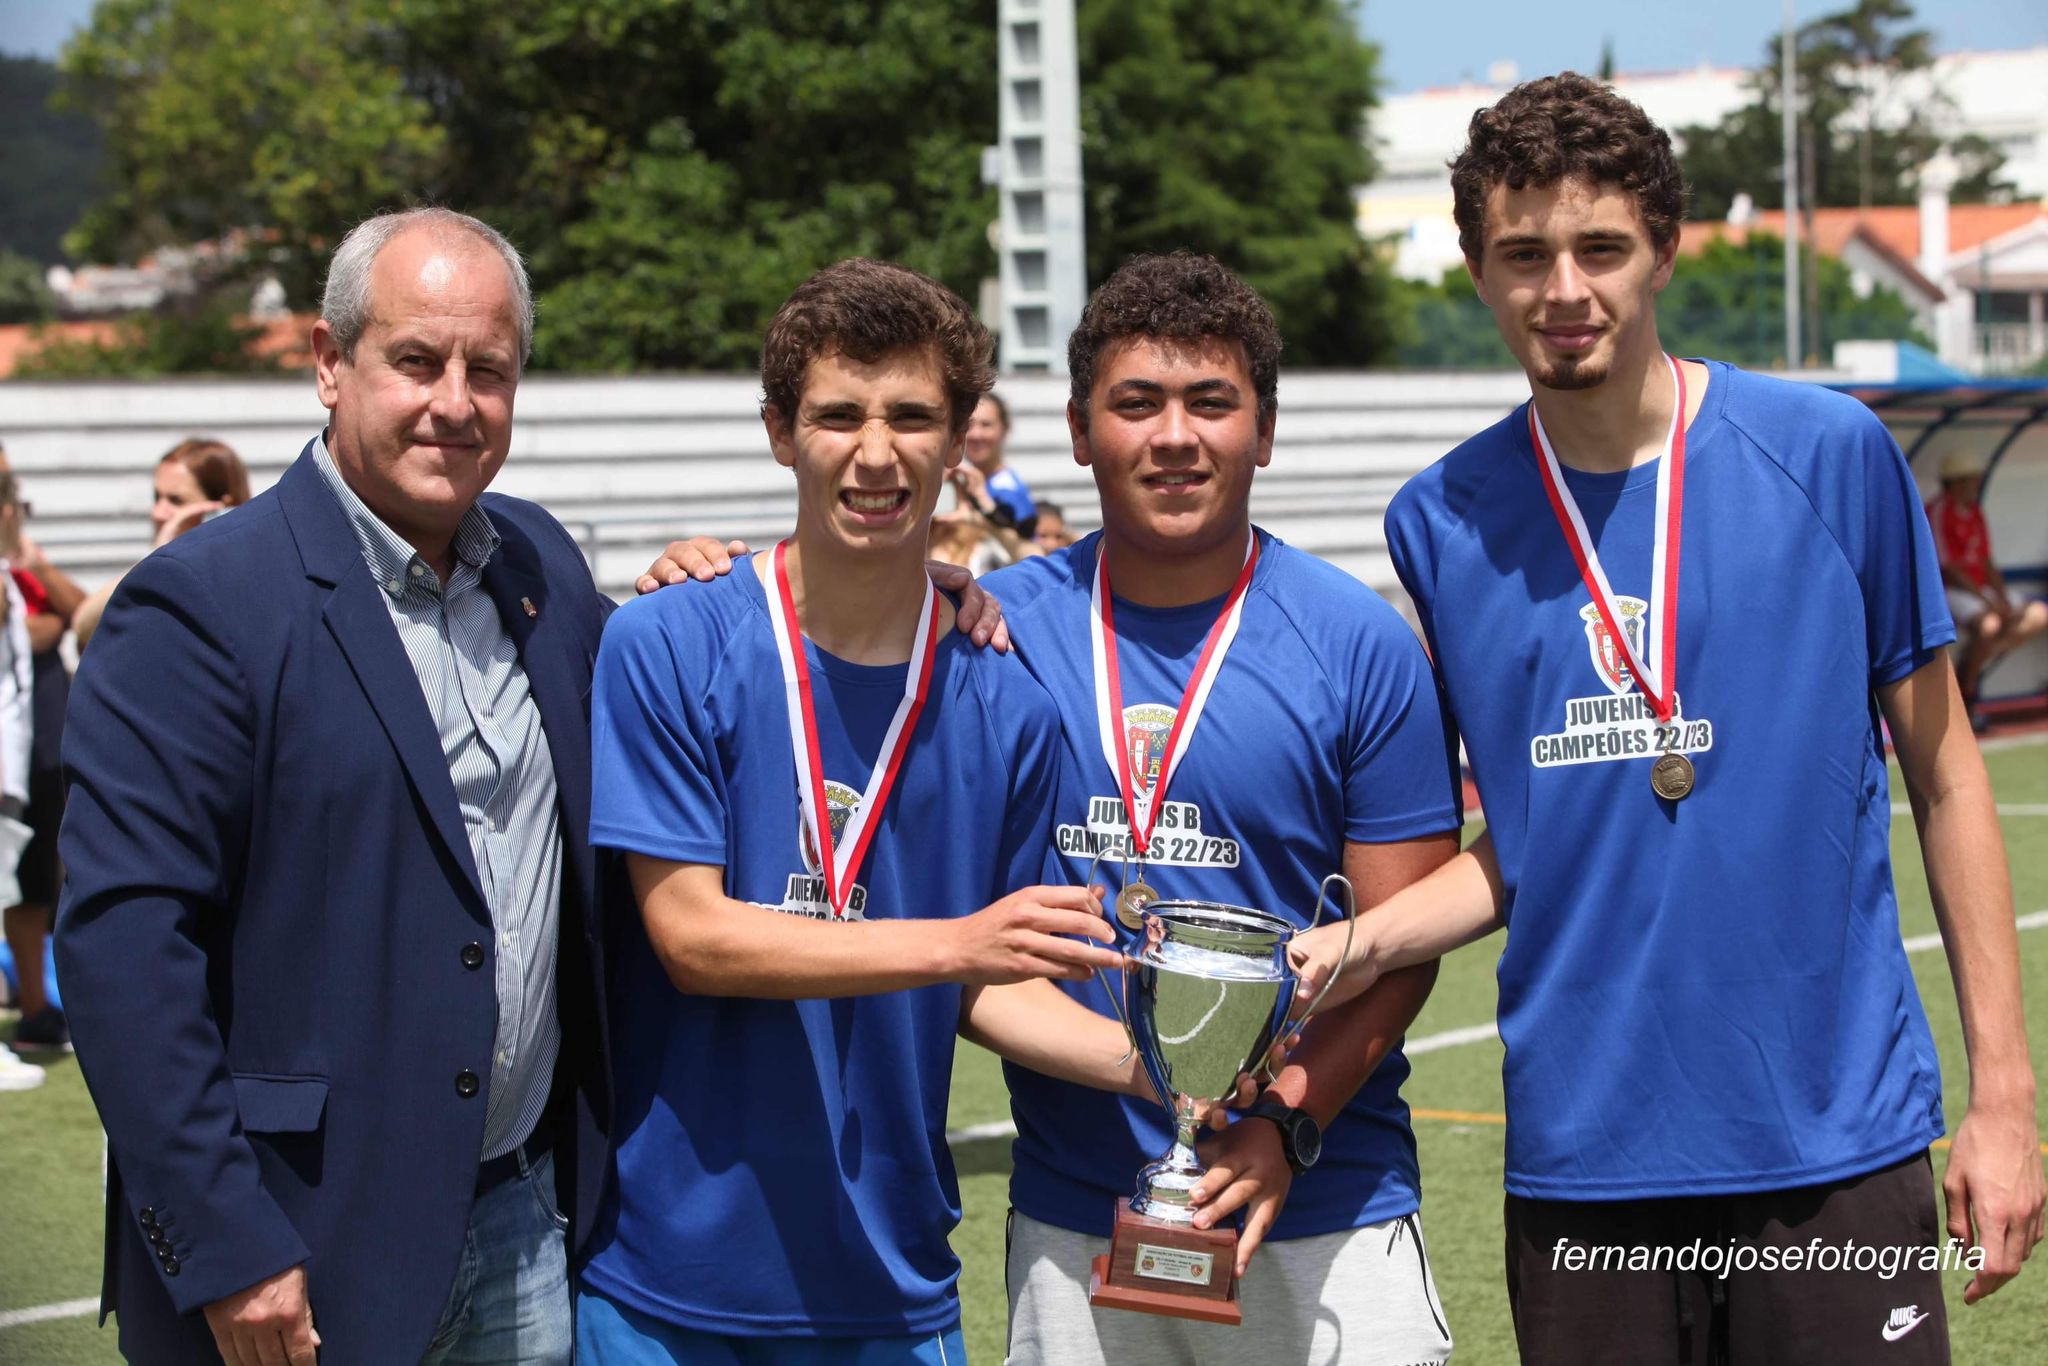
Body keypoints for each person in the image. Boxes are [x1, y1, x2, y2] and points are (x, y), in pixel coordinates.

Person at [1294, 73, 2044, 1364]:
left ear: (1664, 251)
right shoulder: (1440, 520)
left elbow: (1947, 776)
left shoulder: (1830, 453)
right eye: (1523, 254)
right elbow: (1527, 841)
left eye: (1601, 248)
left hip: (1831, 1143)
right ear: (1477, 269)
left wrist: (2006, 1099)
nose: (1564, 288)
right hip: (1588, 1159)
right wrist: (1355, 943)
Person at [645, 253, 1466, 1366]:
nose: (1172, 436)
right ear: (1081, 434)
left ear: (1262, 431)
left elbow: (1395, 946)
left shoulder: (1357, 644)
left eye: (1210, 402)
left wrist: (1283, 1121)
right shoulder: (987, 633)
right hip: (1076, 1211)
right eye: (1135, 404)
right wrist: (704, 568)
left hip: (1320, 1205)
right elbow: (962, 937)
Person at [56, 207, 617, 1366]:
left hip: (524, 1223)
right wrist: (228, 1248)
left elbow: (698, 684)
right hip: (296, 1250)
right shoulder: (199, 606)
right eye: (416, 360)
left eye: (489, 370)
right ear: (329, 362)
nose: (453, 401)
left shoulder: (544, 568)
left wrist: (902, 581)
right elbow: (124, 953)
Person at [576, 258, 1152, 1362]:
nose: (876, 452)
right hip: (663, 1290)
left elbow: (998, 982)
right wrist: (959, 945)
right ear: (779, 431)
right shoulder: (668, 641)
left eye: (912, 417)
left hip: (888, 1290)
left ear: (960, 440)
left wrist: (1159, 1071)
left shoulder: (1006, 701)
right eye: (838, 415)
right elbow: (691, 937)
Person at [72, 437, 254, 650]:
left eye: (176, 501)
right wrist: (155, 557)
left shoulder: (248, 571)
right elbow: (85, 627)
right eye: (157, 497)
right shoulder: (159, 569)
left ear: (220, 508)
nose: (158, 513)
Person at [1925, 448, 2047, 724]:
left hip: (1980, 591)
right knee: (1989, 625)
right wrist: (1988, 601)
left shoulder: (1976, 512)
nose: (1975, 485)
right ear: (1955, 481)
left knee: (2037, 614)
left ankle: (1972, 665)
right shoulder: (1938, 510)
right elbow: (1949, 568)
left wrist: (2002, 597)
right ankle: (1968, 692)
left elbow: (1986, 561)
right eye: (1970, 479)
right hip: (1951, 591)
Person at [965, 391, 1037, 532]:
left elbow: (1025, 546)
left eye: (986, 425)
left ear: (1005, 429)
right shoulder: (959, 483)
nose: (975, 434)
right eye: (969, 425)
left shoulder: (1008, 491)